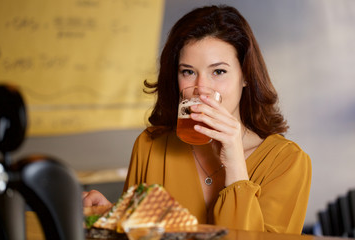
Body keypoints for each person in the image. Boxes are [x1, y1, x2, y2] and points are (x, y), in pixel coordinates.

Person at [83, 4, 311, 234]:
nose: (201, 89)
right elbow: (139, 234)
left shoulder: (288, 162)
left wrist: (235, 164)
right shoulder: (150, 146)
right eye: (188, 72)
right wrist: (107, 219)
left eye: (218, 71)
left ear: (245, 76)